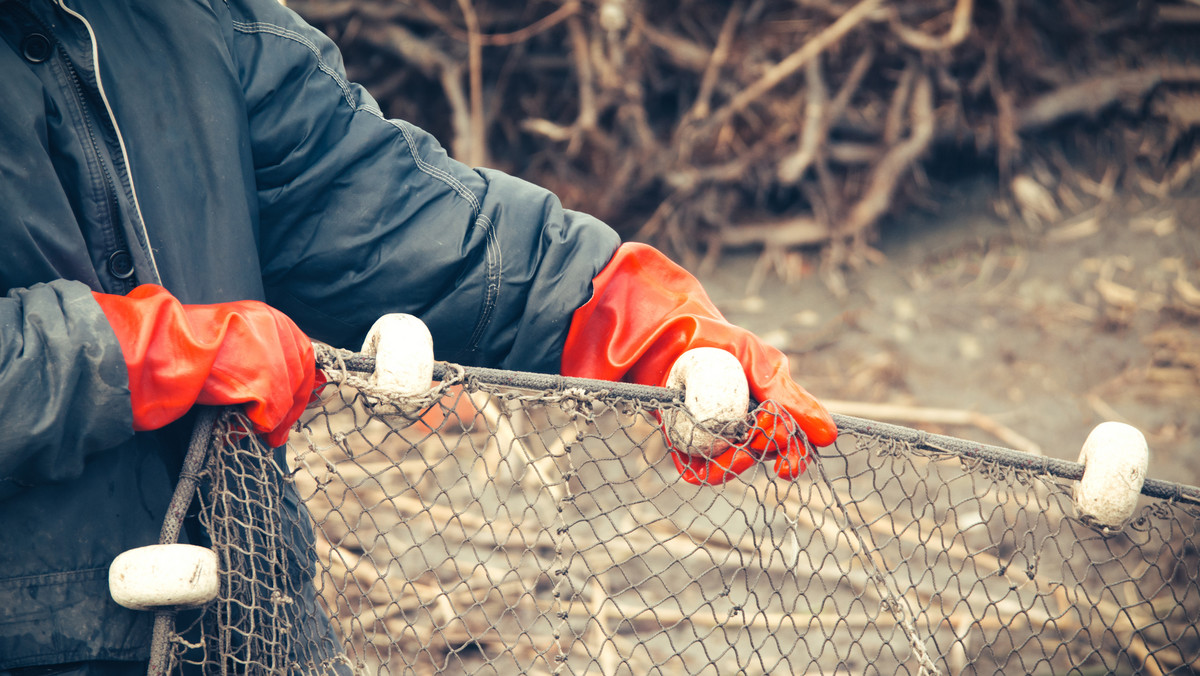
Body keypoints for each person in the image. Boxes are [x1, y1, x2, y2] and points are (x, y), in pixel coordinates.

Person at [0, 0, 836, 671]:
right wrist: (126, 356)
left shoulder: (202, 21)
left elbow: (378, 207)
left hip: (253, 627)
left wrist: (621, 310)